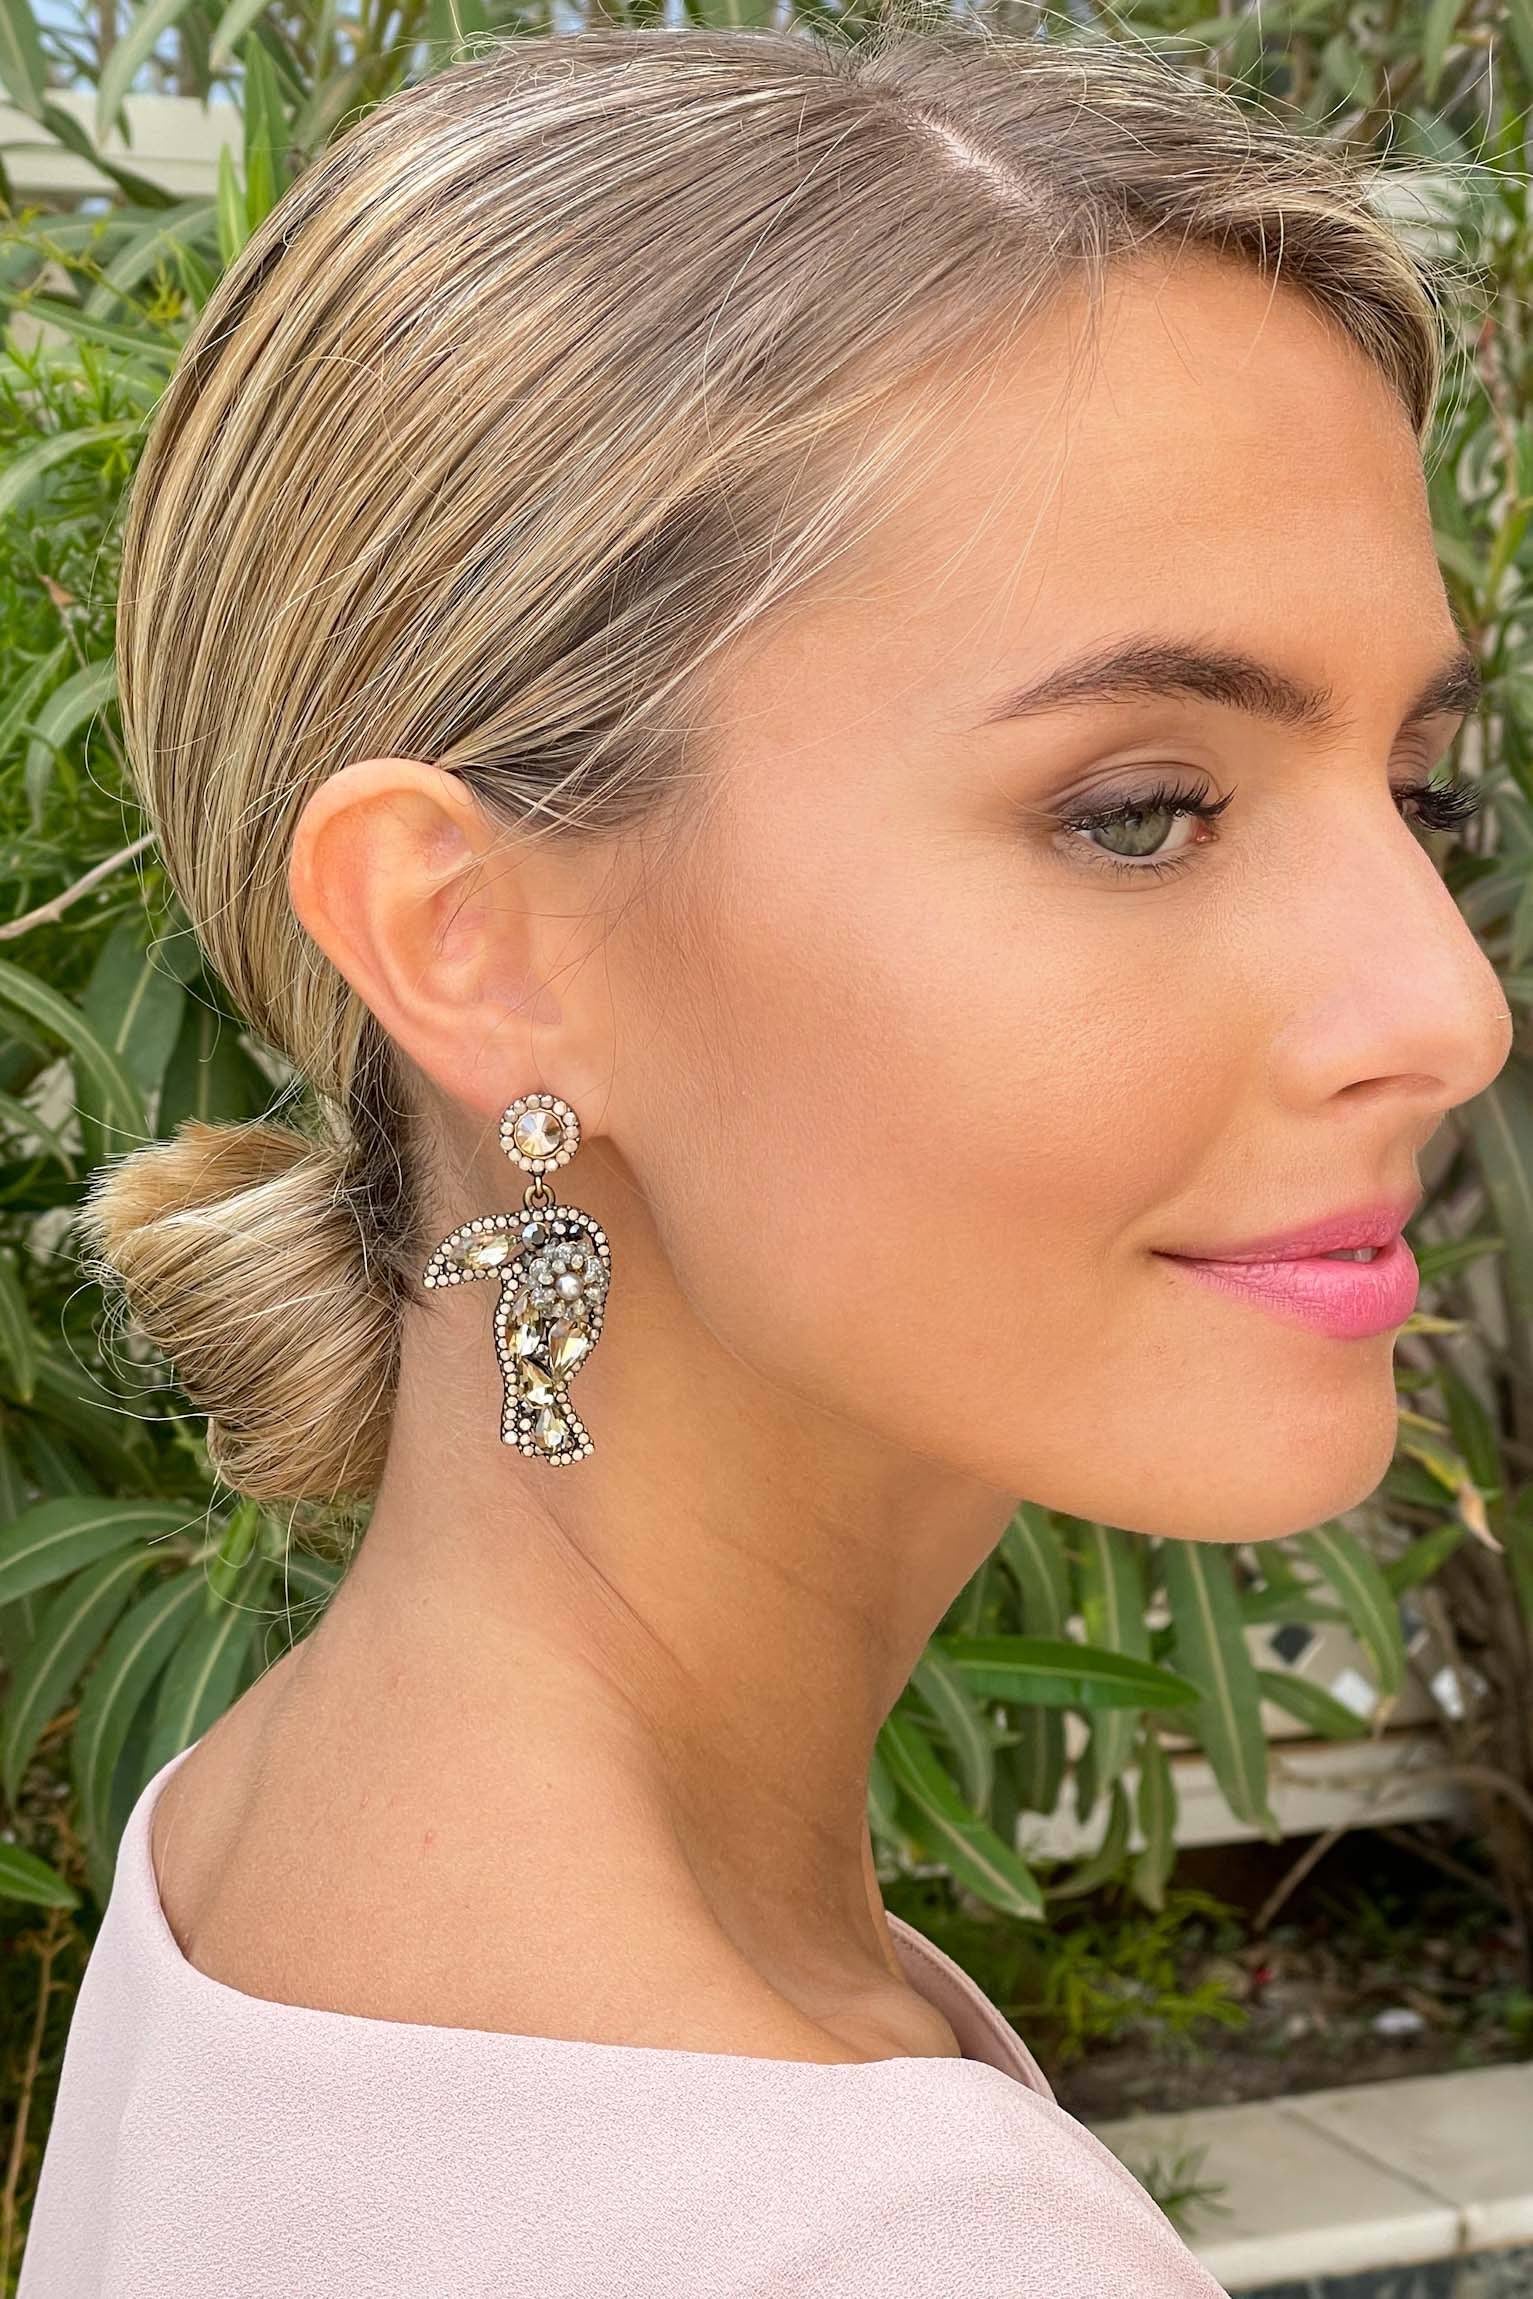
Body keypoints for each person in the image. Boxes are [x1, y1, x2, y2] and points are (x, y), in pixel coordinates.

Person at [20, 17, 1512, 2296]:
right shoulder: (876, 2244)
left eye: (1420, 794)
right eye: (1140, 813)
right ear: (474, 942)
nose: (1445, 1004)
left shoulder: (263, 1849)